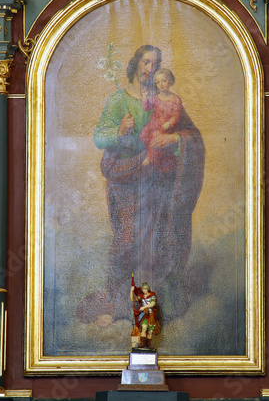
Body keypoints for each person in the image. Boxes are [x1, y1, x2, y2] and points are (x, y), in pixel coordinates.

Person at [76, 45, 205, 326]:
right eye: (147, 62)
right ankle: (118, 305)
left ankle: (154, 310)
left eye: (156, 64)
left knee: (160, 241)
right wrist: (120, 129)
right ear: (136, 65)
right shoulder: (118, 101)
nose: (151, 69)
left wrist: (175, 140)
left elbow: (191, 135)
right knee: (128, 241)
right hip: (127, 179)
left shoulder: (168, 101)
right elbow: (100, 137)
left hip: (159, 179)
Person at [140, 68, 182, 172]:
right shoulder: (155, 97)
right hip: (154, 124)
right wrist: (145, 97)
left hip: (166, 127)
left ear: (170, 81)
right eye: (158, 82)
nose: (161, 85)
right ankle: (153, 152)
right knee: (144, 133)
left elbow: (176, 115)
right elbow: (147, 107)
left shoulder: (175, 99)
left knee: (156, 136)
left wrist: (169, 123)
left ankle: (149, 158)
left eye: (164, 81)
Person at [131, 282, 160, 349]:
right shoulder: (141, 296)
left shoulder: (153, 296)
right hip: (144, 315)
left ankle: (148, 344)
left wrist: (144, 307)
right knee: (144, 327)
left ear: (148, 289)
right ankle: (142, 343)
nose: (144, 290)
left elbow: (152, 303)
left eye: (145, 289)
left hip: (151, 315)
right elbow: (132, 299)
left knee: (150, 331)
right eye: (143, 289)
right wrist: (131, 290)